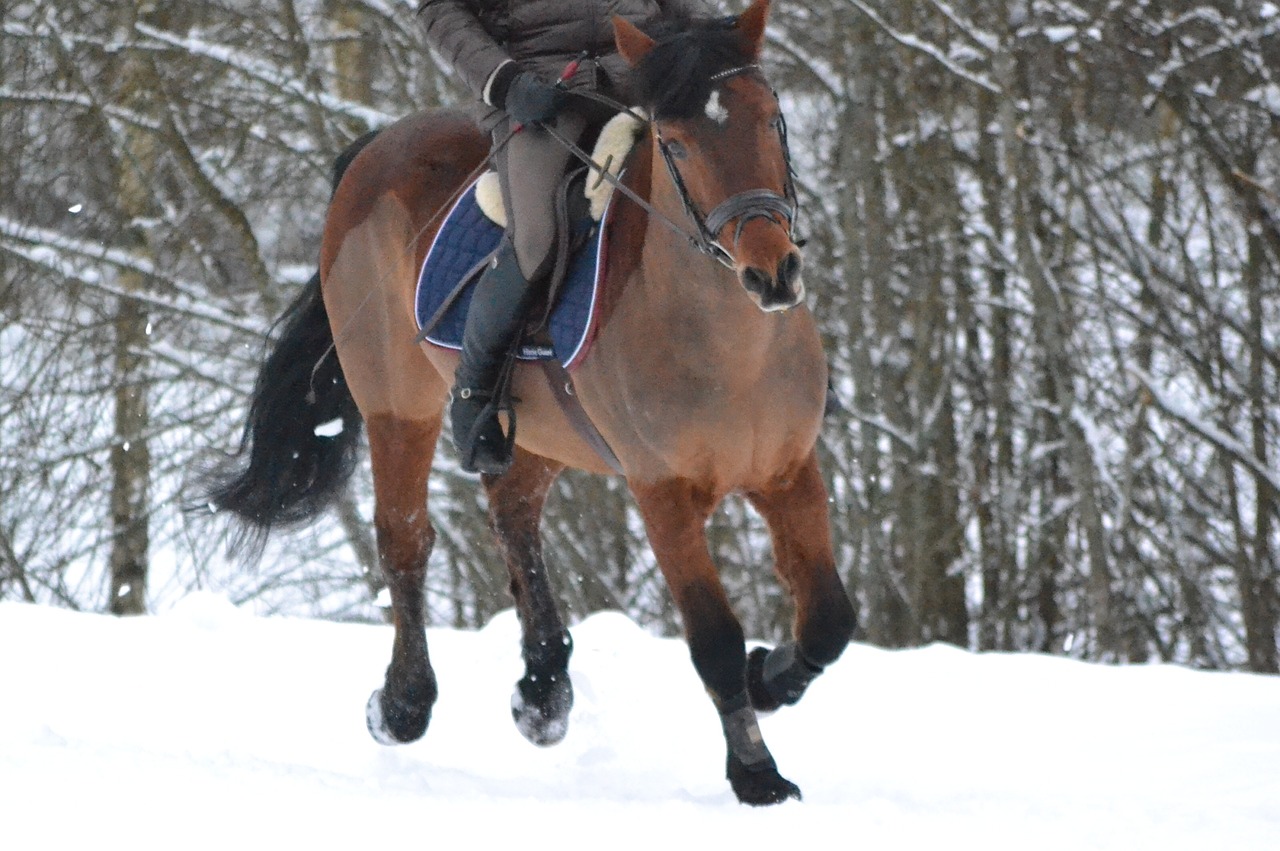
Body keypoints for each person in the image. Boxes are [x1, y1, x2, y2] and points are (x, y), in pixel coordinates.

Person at [418, 0, 711, 476]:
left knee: (733, 184)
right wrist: (506, 82)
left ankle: (787, 355)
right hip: (542, 93)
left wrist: (703, 51)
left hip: (646, 76)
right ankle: (476, 390)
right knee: (537, 240)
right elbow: (440, 11)